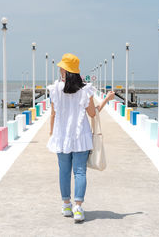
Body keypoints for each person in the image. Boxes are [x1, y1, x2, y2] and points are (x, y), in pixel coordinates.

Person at [47, 53, 114, 223]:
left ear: (64, 70)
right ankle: (78, 208)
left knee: (63, 171)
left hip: (61, 136)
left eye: (61, 67)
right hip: (81, 136)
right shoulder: (85, 90)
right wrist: (106, 99)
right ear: (76, 71)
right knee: (80, 171)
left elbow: (53, 114)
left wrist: (51, 132)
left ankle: (66, 206)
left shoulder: (55, 89)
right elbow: (92, 114)